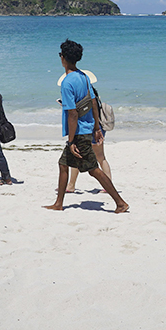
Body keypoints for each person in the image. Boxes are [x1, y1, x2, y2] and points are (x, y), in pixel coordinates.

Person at [44, 40, 128, 213]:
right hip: (88, 128)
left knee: (93, 170)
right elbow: (93, 103)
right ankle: (59, 203)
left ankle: (120, 203)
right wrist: (96, 127)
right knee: (63, 164)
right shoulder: (84, 76)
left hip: (79, 133)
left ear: (63, 58)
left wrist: (71, 139)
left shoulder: (67, 82)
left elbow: (73, 114)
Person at [60, 70, 114, 194]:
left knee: (80, 157)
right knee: (100, 157)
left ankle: (71, 185)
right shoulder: (92, 92)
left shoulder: (78, 92)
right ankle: (108, 183)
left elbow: (76, 113)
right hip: (96, 126)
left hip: (87, 128)